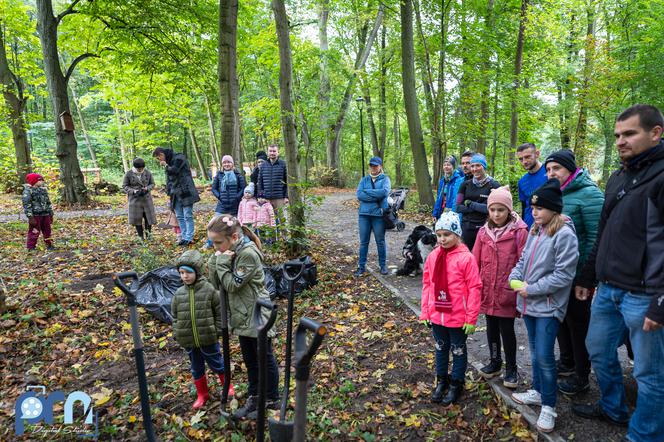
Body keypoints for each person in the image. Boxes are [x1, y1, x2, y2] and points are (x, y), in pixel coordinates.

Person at [573, 104, 664, 442]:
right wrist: (587, 275)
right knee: (597, 349)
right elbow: (606, 231)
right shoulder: (618, 176)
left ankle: (643, 435)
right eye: (617, 136)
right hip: (608, 289)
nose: (621, 141)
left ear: (656, 133)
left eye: (630, 134)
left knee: (650, 374)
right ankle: (613, 408)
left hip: (644, 294)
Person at [509, 178, 579, 433]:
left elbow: (563, 275)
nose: (534, 212)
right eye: (533, 208)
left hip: (548, 307)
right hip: (530, 305)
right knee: (536, 352)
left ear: (554, 209)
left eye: (539, 208)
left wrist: (531, 289)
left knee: (545, 357)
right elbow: (524, 259)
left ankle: (549, 406)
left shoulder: (564, 234)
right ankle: (538, 391)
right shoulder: (535, 230)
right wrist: (514, 276)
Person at [207, 214, 280, 420]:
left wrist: (221, 263)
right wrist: (216, 260)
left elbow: (231, 284)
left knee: (263, 356)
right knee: (250, 359)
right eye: (212, 243)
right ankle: (255, 396)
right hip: (241, 312)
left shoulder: (248, 254)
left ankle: (272, 398)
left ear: (235, 237)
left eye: (218, 242)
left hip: (257, 311)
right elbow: (216, 283)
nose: (215, 247)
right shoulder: (227, 253)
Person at [543, 149, 604, 396]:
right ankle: (566, 362)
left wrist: (586, 279)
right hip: (557, 275)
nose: (551, 173)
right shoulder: (556, 193)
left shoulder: (590, 194)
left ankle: (581, 376)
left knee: (579, 324)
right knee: (561, 320)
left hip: (579, 275)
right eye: (548, 169)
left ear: (570, 168)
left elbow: (597, 239)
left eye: (556, 168)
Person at [420, 211, 481, 405]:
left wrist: (471, 318)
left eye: (447, 235)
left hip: (458, 317)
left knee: (458, 350)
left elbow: (474, 288)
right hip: (437, 314)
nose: (442, 239)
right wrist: (425, 311)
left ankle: (456, 384)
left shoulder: (466, 258)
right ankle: (441, 381)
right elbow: (427, 284)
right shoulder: (433, 257)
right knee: (440, 349)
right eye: (439, 235)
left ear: (457, 235)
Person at [472, 186, 528, 388]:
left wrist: (520, 285)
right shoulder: (483, 232)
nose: (496, 214)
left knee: (507, 329)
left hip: (506, 291)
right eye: (493, 209)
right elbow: (474, 260)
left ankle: (511, 368)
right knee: (491, 327)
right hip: (487, 290)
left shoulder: (519, 232)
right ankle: (495, 361)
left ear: (509, 210)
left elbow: (524, 261)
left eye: (501, 210)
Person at [171, 249, 235, 409]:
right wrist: (177, 332)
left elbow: (220, 311)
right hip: (189, 340)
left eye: (189, 272)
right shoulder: (179, 294)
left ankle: (228, 386)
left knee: (217, 363)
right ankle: (202, 394)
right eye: (181, 273)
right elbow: (175, 316)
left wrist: (219, 330)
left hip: (208, 337)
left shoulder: (209, 290)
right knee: (196, 368)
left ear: (198, 272)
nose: (185, 276)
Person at [153, 147, 200, 246]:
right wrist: (169, 191)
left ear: (162, 154)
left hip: (185, 190)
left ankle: (189, 237)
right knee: (179, 216)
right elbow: (169, 179)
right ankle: (183, 237)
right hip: (175, 193)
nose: (159, 160)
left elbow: (174, 170)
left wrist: (166, 166)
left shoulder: (179, 158)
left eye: (158, 158)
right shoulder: (169, 162)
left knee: (187, 214)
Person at [455, 153, 501, 250]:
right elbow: (458, 207)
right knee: (465, 257)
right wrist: (482, 207)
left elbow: (493, 210)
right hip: (467, 228)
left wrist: (469, 203)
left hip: (486, 228)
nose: (475, 169)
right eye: (472, 166)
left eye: (478, 165)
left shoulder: (494, 185)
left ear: (484, 167)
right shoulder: (465, 185)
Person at [354, 156, 391, 276]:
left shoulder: (385, 179)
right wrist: (376, 195)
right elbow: (359, 195)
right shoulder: (364, 180)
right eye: (371, 165)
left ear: (380, 166)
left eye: (376, 165)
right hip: (364, 215)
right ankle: (361, 266)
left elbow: (384, 192)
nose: (373, 167)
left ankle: (383, 266)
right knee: (363, 242)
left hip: (378, 215)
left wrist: (367, 191)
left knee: (380, 241)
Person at [122, 158, 157, 240]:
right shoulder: (128, 174)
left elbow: (152, 183)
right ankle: (140, 237)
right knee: (137, 219)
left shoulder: (147, 173)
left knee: (148, 218)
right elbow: (124, 186)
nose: (141, 170)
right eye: (139, 168)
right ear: (135, 167)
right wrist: (133, 191)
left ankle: (149, 236)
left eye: (142, 168)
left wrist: (147, 188)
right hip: (135, 200)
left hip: (146, 199)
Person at [516, 143, 548, 229]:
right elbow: (524, 206)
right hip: (529, 228)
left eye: (527, 157)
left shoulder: (550, 171)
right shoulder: (522, 182)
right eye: (520, 159)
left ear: (537, 154)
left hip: (549, 227)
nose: (524, 162)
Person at [257, 144, 288, 226]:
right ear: (268, 152)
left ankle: (283, 238)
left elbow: (287, 181)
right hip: (267, 198)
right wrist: (260, 196)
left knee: (281, 219)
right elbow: (260, 182)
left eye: (274, 151)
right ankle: (272, 238)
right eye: (270, 151)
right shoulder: (263, 165)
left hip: (279, 197)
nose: (272, 153)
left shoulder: (283, 164)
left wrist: (286, 196)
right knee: (269, 220)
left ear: (278, 152)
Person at [22, 173, 54, 251]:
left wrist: (51, 214)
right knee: (34, 231)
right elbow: (27, 205)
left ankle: (49, 244)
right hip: (35, 215)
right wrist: (30, 217)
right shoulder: (28, 191)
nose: (42, 181)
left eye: (42, 180)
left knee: (47, 230)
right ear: (33, 181)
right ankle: (31, 247)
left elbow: (48, 202)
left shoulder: (43, 190)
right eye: (40, 180)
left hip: (45, 214)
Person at [432, 155, 465, 221]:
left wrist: (453, 212)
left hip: (452, 213)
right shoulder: (442, 180)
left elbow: (457, 199)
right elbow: (439, 198)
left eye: (449, 165)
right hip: (441, 211)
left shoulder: (458, 180)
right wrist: (435, 214)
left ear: (453, 166)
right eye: (444, 165)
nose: (446, 167)